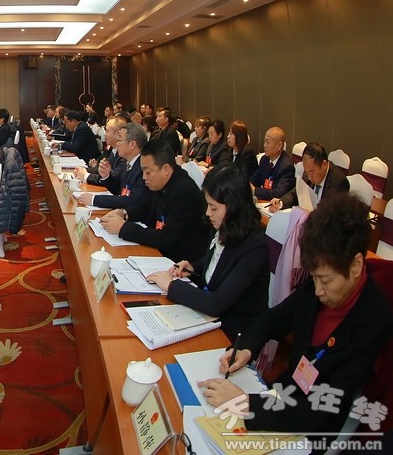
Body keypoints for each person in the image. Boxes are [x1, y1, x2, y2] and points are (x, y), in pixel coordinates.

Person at [199, 194, 393, 438]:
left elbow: (322, 411)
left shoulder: (374, 320)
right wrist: (246, 348)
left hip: (310, 428)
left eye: (325, 281)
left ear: (355, 266)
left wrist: (245, 403)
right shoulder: (318, 281)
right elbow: (273, 319)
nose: (318, 290)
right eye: (314, 278)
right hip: (282, 397)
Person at [146, 165, 269, 339]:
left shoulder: (254, 246)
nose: (208, 213)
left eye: (214, 207)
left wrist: (171, 285)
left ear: (234, 207)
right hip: (206, 316)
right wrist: (193, 268)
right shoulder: (223, 224)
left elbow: (217, 302)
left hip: (231, 333)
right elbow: (218, 261)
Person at [99, 140, 209, 262]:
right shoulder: (162, 181)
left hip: (178, 261)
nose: (144, 177)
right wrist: (124, 213)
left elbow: (165, 238)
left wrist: (123, 228)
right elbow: (145, 206)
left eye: (148, 172)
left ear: (166, 169)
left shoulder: (183, 192)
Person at [78, 122, 148, 210]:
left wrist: (94, 199)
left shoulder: (144, 167)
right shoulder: (127, 161)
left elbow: (132, 200)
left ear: (132, 144)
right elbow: (117, 189)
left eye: (120, 140)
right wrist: (106, 176)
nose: (117, 144)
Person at [272, 142, 350, 210]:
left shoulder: (339, 183)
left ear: (324, 165)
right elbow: (296, 194)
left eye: (312, 172)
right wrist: (280, 203)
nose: (309, 177)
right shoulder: (308, 171)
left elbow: (330, 213)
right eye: (307, 172)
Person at [249, 126, 294, 202]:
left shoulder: (287, 166)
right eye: (264, 142)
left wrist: (255, 190)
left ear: (279, 146)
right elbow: (253, 181)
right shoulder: (264, 160)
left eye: (268, 142)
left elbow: (278, 193)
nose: (264, 145)